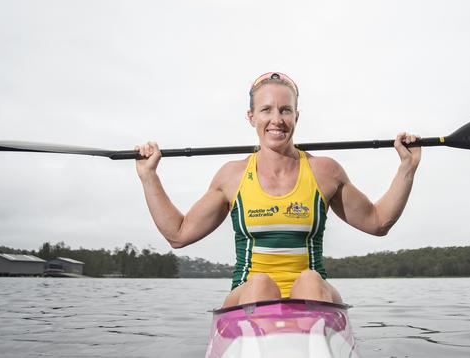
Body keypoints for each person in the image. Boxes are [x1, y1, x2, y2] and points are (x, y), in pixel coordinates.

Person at [135, 72, 421, 308]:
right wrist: (149, 177)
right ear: (251, 117)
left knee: (309, 279)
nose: (277, 119)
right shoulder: (232, 176)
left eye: (285, 110)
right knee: (259, 283)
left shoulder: (325, 172)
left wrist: (407, 167)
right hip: (248, 295)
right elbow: (178, 234)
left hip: (313, 296)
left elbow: (378, 222)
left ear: (296, 115)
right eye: (266, 110)